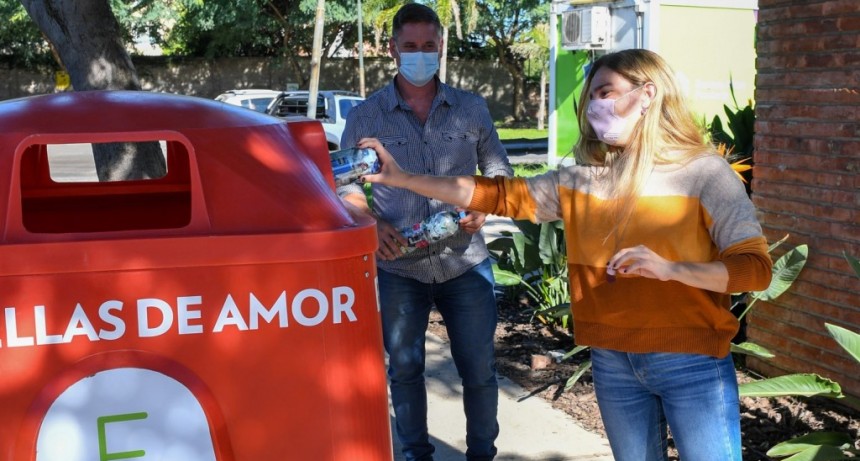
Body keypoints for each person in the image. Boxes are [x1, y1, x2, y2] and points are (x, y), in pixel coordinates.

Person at [358, 48, 773, 461]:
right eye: (591, 97)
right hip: (612, 362)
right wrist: (405, 178)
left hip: (691, 361)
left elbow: (754, 271)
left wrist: (670, 269)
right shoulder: (581, 180)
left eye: (606, 92)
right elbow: (499, 195)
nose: (596, 106)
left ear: (648, 94)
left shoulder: (704, 173)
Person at [336, 3, 513, 461]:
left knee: (478, 370)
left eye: (428, 46)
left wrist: (484, 204)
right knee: (406, 371)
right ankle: (416, 455)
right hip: (399, 267)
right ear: (392, 49)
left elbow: (498, 170)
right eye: (410, 46)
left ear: (441, 47)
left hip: (465, 262)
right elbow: (344, 188)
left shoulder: (471, 108)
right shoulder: (365, 116)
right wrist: (373, 224)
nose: (420, 55)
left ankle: (481, 455)